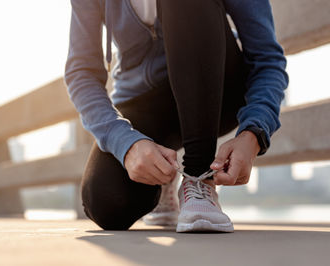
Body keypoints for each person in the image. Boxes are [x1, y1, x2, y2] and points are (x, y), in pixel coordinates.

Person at [64, 0, 288, 232]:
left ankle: (199, 178)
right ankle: (165, 180)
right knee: (107, 202)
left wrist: (254, 133)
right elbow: (81, 73)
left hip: (217, 89)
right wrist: (126, 144)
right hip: (143, 101)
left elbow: (267, 59)